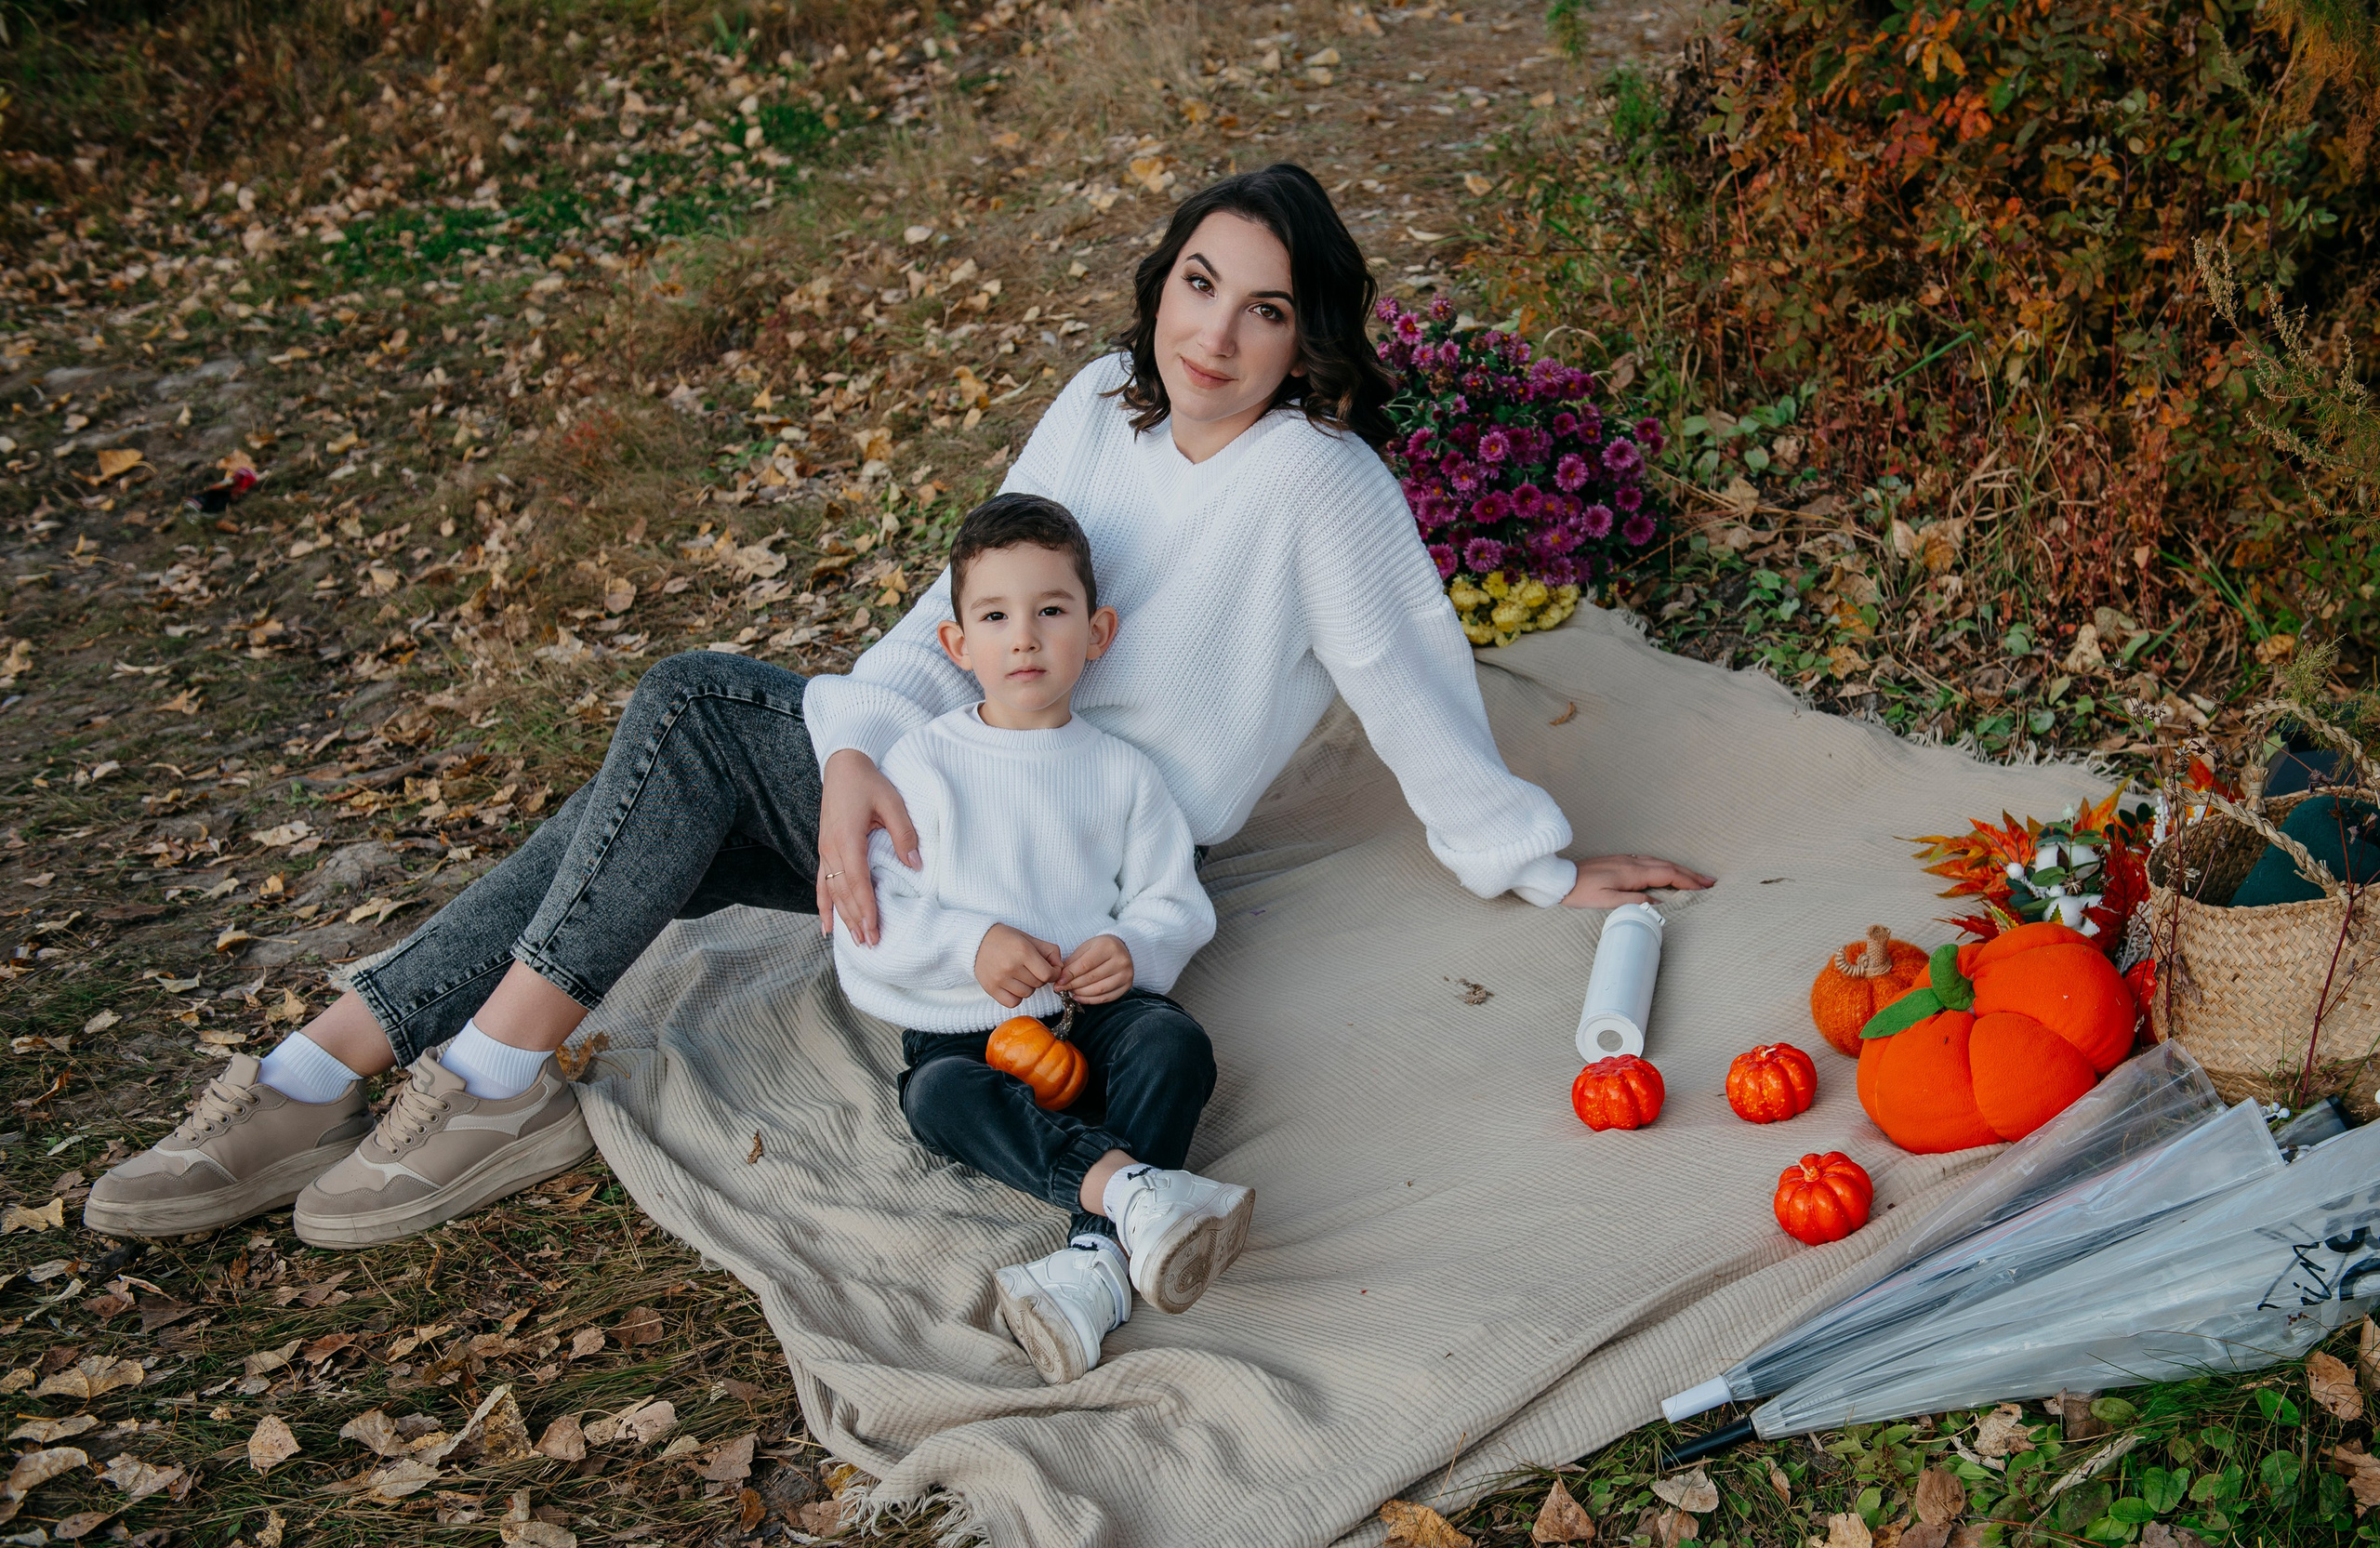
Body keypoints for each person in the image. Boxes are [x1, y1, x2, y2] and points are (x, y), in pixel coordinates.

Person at [85, 160, 1712, 1250]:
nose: (1213, 330)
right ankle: (323, 1074)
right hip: (946, 787)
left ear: (1310, 338)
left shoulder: (1320, 484)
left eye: (1266, 307)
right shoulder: (1096, 405)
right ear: (1162, 280)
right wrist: (858, 752)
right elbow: (959, 616)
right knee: (652, 795)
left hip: (1064, 850)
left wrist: (1535, 858)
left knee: (699, 703)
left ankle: (468, 1081)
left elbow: (1412, 680)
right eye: (1199, 281)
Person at [839, 492, 1241, 1383]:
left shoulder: (1122, 773)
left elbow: (1174, 903)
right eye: (995, 616)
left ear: (1096, 634)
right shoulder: (926, 764)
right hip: (966, 1023)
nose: (1024, 637)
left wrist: (1134, 947)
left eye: (1050, 612)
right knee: (935, 1099)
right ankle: (1129, 1193)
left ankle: (1091, 1267)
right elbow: (874, 920)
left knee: (1174, 1043)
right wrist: (970, 944)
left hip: (1094, 1012)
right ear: (957, 645)